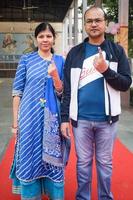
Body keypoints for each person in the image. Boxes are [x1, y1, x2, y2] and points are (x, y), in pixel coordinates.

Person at [60, 5, 132, 200]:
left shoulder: (117, 51)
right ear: (84, 25)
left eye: (97, 20)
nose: (93, 24)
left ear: (105, 24)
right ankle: (83, 197)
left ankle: (105, 197)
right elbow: (67, 89)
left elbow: (126, 83)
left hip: (107, 120)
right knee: (82, 163)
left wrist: (105, 70)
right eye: (89, 21)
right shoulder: (74, 53)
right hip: (80, 120)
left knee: (105, 164)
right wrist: (64, 119)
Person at [10, 22, 65, 200]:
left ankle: (53, 193)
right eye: (41, 36)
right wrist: (15, 123)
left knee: (52, 160)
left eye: (48, 36)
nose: (45, 39)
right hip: (29, 118)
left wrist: (55, 76)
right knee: (29, 154)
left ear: (54, 39)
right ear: (36, 39)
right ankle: (31, 195)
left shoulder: (60, 61)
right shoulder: (26, 60)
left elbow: (62, 93)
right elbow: (17, 92)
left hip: (51, 120)